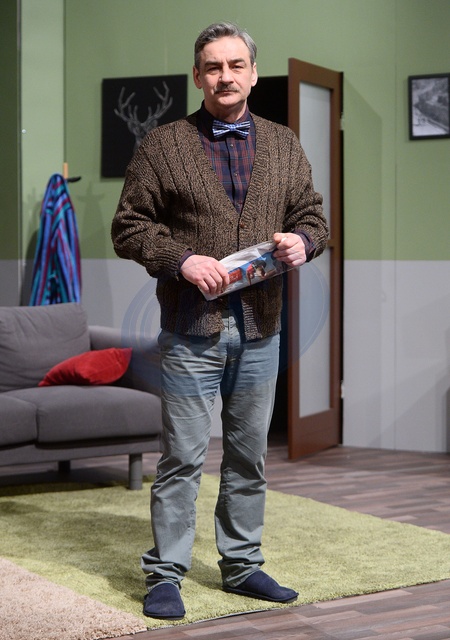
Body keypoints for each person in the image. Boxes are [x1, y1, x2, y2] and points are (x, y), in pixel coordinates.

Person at [111, 21, 329, 620]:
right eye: (213, 67)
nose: (225, 76)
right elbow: (128, 227)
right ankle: (165, 574)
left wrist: (303, 243)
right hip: (190, 330)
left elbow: (313, 217)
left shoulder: (284, 144)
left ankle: (242, 565)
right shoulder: (162, 145)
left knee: (248, 455)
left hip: (261, 330)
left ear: (253, 74)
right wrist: (181, 260)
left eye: (236, 65)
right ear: (198, 76)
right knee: (182, 458)